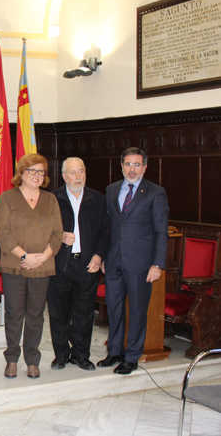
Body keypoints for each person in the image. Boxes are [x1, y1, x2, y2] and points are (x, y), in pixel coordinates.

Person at [98, 147, 168, 375]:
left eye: (137, 165)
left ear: (145, 167)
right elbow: (107, 227)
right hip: (114, 261)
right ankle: (114, 352)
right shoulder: (111, 190)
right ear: (121, 166)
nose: (132, 169)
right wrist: (104, 256)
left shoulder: (155, 193)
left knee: (137, 310)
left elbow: (160, 231)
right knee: (114, 308)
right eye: (128, 164)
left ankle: (132, 356)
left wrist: (157, 264)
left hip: (140, 264)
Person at [0, 153, 62, 380]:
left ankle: (32, 360)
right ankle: (12, 359)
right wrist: (24, 256)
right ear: (21, 173)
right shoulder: (7, 198)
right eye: (31, 171)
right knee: (14, 313)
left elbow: (57, 234)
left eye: (40, 172)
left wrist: (42, 257)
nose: (36, 176)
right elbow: (2, 232)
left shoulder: (50, 199)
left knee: (36, 315)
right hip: (15, 265)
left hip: (43, 266)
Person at [48, 157, 108, 371]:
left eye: (81, 171)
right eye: (73, 172)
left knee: (83, 314)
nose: (77, 176)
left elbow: (105, 231)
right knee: (58, 313)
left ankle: (81, 355)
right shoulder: (52, 198)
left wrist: (99, 255)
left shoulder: (98, 199)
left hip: (87, 264)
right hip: (60, 264)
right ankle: (61, 355)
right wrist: (60, 236)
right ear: (64, 176)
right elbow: (43, 231)